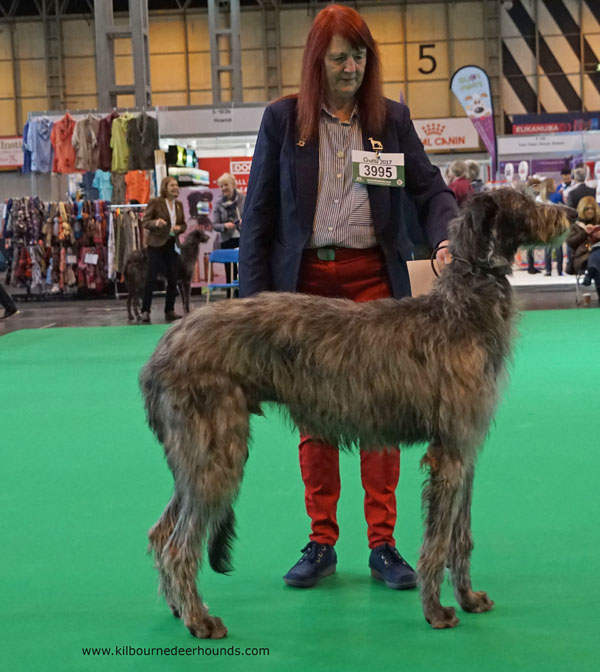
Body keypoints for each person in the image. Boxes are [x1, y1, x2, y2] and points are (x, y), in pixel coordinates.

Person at [239, 4, 456, 591]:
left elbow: (430, 189)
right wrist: (250, 312)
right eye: (340, 56)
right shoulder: (283, 121)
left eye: (360, 55)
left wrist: (445, 238)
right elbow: (258, 216)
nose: (352, 66)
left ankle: (384, 545)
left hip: (372, 284)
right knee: (316, 417)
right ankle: (321, 539)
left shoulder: (391, 121)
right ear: (317, 60)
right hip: (304, 287)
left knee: (381, 416)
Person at [140, 176, 187, 323]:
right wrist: (156, 223)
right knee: (151, 278)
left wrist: (179, 228)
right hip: (155, 245)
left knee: (173, 277)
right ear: (165, 188)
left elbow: (183, 224)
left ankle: (170, 310)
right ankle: (145, 311)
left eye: (176, 185)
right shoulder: (156, 202)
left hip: (171, 244)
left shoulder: (179, 205)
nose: (175, 188)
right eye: (172, 185)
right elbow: (145, 222)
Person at [212, 173, 245, 297]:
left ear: (233, 185)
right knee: (229, 270)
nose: (223, 188)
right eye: (221, 186)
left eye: (226, 185)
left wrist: (243, 221)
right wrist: (225, 226)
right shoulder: (218, 203)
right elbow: (214, 224)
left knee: (244, 268)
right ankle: (229, 295)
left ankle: (243, 294)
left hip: (242, 238)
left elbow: (250, 216)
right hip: (227, 239)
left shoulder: (243, 198)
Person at [566, 196, 600, 302]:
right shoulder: (575, 225)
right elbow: (571, 243)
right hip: (583, 257)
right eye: (587, 209)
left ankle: (591, 272)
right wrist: (585, 233)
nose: (590, 211)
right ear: (582, 209)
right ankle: (592, 270)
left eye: (592, 209)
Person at [536, 178, 563, 276]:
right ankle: (560, 271)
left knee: (547, 249)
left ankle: (548, 270)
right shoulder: (557, 196)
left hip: (545, 226)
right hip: (557, 225)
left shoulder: (539, 198)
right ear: (551, 186)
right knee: (558, 248)